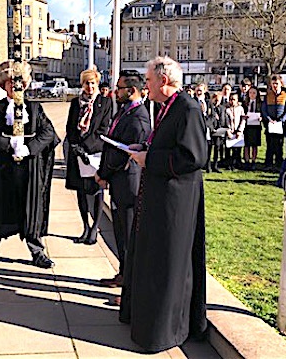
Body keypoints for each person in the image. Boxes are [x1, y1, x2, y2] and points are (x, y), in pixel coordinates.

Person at [120, 56, 207, 352]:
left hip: (176, 201)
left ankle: (164, 330)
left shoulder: (188, 109)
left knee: (167, 263)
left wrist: (150, 159)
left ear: (164, 81)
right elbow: (165, 143)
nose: (145, 85)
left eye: (148, 80)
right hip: (159, 194)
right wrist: (144, 149)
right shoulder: (167, 107)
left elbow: (192, 157)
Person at [0, 60, 60, 272]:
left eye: (20, 81)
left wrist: (30, 148)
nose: (16, 85)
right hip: (1, 171)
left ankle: (37, 250)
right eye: (12, 82)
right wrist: (7, 144)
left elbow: (49, 133)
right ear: (5, 85)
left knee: (30, 209)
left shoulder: (35, 108)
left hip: (28, 171)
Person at [94, 70, 151, 296]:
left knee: (128, 234)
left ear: (132, 91)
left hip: (128, 182)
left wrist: (104, 173)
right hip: (118, 180)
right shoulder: (125, 111)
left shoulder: (138, 116)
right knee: (120, 231)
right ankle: (123, 273)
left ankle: (130, 286)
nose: (116, 92)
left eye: (120, 88)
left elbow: (126, 152)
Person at [65, 68, 112, 245]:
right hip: (77, 154)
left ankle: (95, 228)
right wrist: (76, 146)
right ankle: (85, 226)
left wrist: (86, 148)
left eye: (92, 83)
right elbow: (70, 127)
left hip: (95, 154)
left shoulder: (105, 103)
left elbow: (103, 130)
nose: (90, 86)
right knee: (81, 192)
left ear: (97, 83)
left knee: (97, 191)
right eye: (86, 83)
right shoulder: (75, 103)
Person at [262, 75, 286, 170]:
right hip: (270, 124)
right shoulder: (268, 96)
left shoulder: (285, 96)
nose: (275, 85)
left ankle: (279, 163)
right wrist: (268, 119)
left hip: (281, 124)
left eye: (277, 83)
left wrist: (281, 120)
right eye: (273, 83)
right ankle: (268, 164)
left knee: (279, 144)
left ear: (281, 84)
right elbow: (264, 109)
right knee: (269, 144)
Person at [242, 86, 262, 170]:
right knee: (247, 144)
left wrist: (261, 118)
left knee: (254, 145)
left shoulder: (260, 103)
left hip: (256, 126)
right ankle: (247, 161)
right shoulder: (245, 103)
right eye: (250, 93)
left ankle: (253, 161)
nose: (252, 94)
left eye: (254, 93)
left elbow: (263, 113)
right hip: (247, 126)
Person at [224, 93, 246, 169]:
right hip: (230, 131)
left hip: (238, 130)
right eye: (231, 99)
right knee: (229, 148)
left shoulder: (240, 109)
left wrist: (240, 130)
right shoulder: (226, 109)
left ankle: (237, 162)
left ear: (237, 100)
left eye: (234, 99)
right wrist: (228, 130)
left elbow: (243, 120)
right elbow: (225, 121)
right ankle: (229, 163)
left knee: (237, 149)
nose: (232, 101)